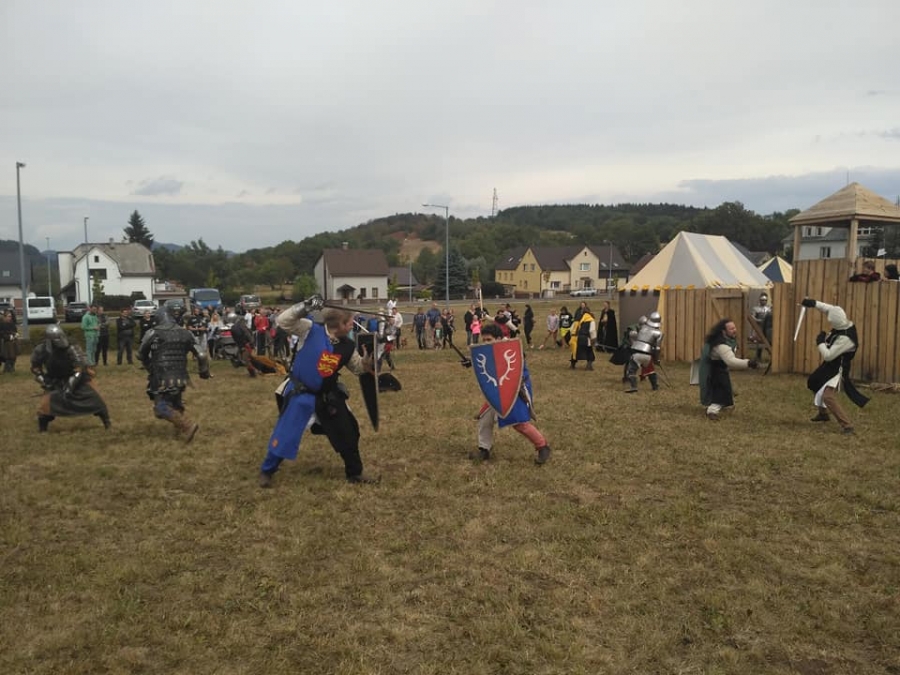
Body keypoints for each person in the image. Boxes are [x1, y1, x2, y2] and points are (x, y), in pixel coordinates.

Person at [259, 300, 379, 488]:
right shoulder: (310, 329)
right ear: (340, 324)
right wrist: (305, 306)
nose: (352, 325)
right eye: (350, 322)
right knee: (285, 435)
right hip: (301, 394)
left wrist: (366, 363)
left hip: (328, 396)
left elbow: (357, 368)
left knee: (348, 432)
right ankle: (267, 471)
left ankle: (355, 473)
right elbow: (282, 321)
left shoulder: (347, 346)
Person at [470, 323, 551, 465]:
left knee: (519, 423)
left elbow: (513, 367)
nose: (486, 343)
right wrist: (471, 361)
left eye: (489, 339)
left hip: (515, 390)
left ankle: (542, 447)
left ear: (499, 338)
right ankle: (484, 449)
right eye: (484, 340)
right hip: (497, 390)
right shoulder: (491, 350)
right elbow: (490, 364)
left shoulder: (511, 348)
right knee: (485, 419)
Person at [138, 305, 210, 442]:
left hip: (160, 375)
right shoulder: (186, 333)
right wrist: (204, 371)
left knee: (160, 408)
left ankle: (187, 426)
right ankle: (178, 432)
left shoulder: (153, 332)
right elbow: (201, 354)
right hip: (181, 375)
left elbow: (141, 354)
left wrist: (149, 367)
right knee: (175, 404)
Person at [802, 298, 869, 434]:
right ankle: (823, 414)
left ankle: (847, 425)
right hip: (830, 364)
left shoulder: (846, 339)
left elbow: (828, 355)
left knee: (828, 396)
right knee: (813, 382)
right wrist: (814, 303)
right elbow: (828, 309)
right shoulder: (841, 318)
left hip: (838, 368)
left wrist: (820, 342)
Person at [30, 324, 111, 432]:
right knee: (46, 405)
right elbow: (35, 367)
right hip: (55, 380)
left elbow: (79, 367)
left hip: (78, 379)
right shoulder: (41, 349)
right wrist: (45, 381)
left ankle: (107, 422)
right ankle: (42, 429)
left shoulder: (72, 347)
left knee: (95, 399)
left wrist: (69, 386)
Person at [699, 318, 759, 420]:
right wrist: (748, 363)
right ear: (724, 331)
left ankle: (721, 405)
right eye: (731, 329)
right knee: (720, 392)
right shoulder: (721, 345)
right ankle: (712, 411)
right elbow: (731, 361)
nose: (734, 330)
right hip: (716, 372)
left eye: (734, 328)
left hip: (720, 370)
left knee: (725, 391)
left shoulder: (727, 341)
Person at [625, 311, 663, 392]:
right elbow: (657, 348)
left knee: (631, 371)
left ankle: (634, 387)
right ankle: (655, 386)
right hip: (648, 355)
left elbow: (633, 334)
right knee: (650, 371)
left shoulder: (643, 327)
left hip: (637, 353)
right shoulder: (659, 333)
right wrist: (657, 359)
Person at [569, 304, 597, 370]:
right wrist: (593, 340)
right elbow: (592, 331)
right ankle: (588, 366)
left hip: (577, 339)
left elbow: (571, 329)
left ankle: (572, 365)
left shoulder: (578, 319)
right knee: (589, 352)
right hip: (586, 339)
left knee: (575, 352)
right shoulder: (591, 320)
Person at [750, 292, 774, 361]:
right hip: (759, 327)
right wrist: (760, 320)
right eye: (762, 300)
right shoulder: (755, 308)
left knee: (769, 342)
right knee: (759, 343)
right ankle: (758, 357)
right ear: (760, 300)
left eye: (765, 300)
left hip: (767, 328)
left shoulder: (769, 309)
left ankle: (771, 356)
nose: (764, 301)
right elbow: (752, 317)